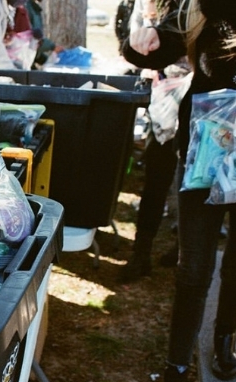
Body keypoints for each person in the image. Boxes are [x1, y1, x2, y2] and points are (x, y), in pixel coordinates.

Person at [122, 0, 236, 382]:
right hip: (207, 152)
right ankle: (174, 378)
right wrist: (141, 39)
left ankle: (224, 335)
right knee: (193, 270)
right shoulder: (202, 11)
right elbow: (151, 50)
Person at [118, 0, 185, 283]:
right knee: (157, 180)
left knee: (190, 183)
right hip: (167, 103)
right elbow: (137, 50)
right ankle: (141, 252)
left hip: (204, 106)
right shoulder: (148, 4)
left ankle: (182, 248)